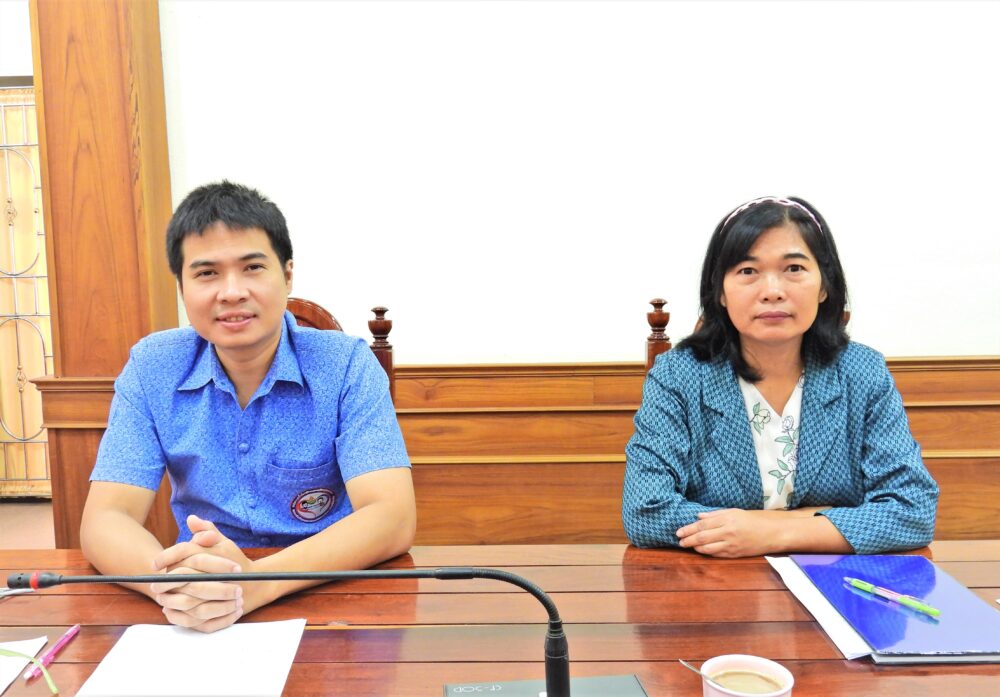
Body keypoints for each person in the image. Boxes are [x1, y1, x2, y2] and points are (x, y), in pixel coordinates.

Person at [80, 181, 416, 632]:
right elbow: (105, 519)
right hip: (201, 601)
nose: (232, 292)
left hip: (330, 594)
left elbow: (392, 517)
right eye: (207, 273)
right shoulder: (152, 367)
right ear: (181, 286)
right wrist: (173, 584)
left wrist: (257, 581)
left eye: (252, 267)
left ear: (288, 275)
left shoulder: (346, 365)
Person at [622, 196, 938, 557]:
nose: (772, 291)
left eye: (794, 268)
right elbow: (644, 512)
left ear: (824, 285)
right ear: (720, 292)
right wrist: (822, 522)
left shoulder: (862, 372)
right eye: (747, 271)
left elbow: (913, 510)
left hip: (834, 577)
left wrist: (770, 532)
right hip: (717, 580)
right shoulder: (679, 375)